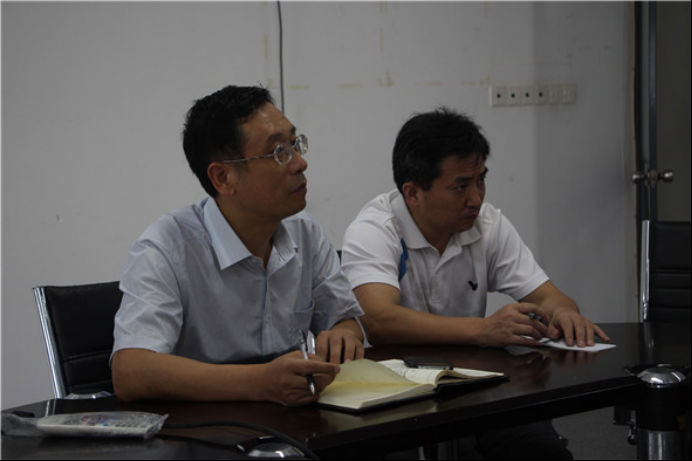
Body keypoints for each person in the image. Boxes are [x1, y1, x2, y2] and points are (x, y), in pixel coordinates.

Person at [341, 107, 610, 459]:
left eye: (481, 180)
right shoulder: (374, 229)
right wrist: (484, 330)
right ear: (413, 193)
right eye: (461, 186)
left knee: (543, 452)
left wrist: (564, 313)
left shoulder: (487, 225)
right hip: (394, 393)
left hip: (473, 384)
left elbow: (548, 296)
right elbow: (379, 321)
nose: (476, 199)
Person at [111, 85, 364, 407]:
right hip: (207, 427)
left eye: (295, 144)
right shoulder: (165, 248)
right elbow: (131, 372)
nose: (300, 163)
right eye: (279, 152)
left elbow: (345, 320)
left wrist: (343, 335)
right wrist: (261, 382)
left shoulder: (305, 231)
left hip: (295, 420)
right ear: (223, 178)